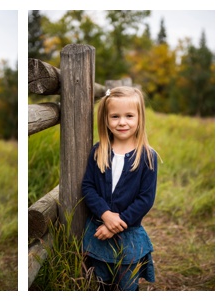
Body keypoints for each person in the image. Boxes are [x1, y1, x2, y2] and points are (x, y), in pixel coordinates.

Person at [81, 86, 157, 291]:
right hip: (99, 231)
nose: (122, 122)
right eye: (115, 116)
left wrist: (117, 222)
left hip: (129, 232)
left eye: (129, 116)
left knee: (127, 284)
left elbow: (145, 199)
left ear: (140, 118)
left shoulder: (148, 157)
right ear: (106, 119)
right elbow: (88, 186)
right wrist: (105, 214)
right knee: (102, 281)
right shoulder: (99, 151)